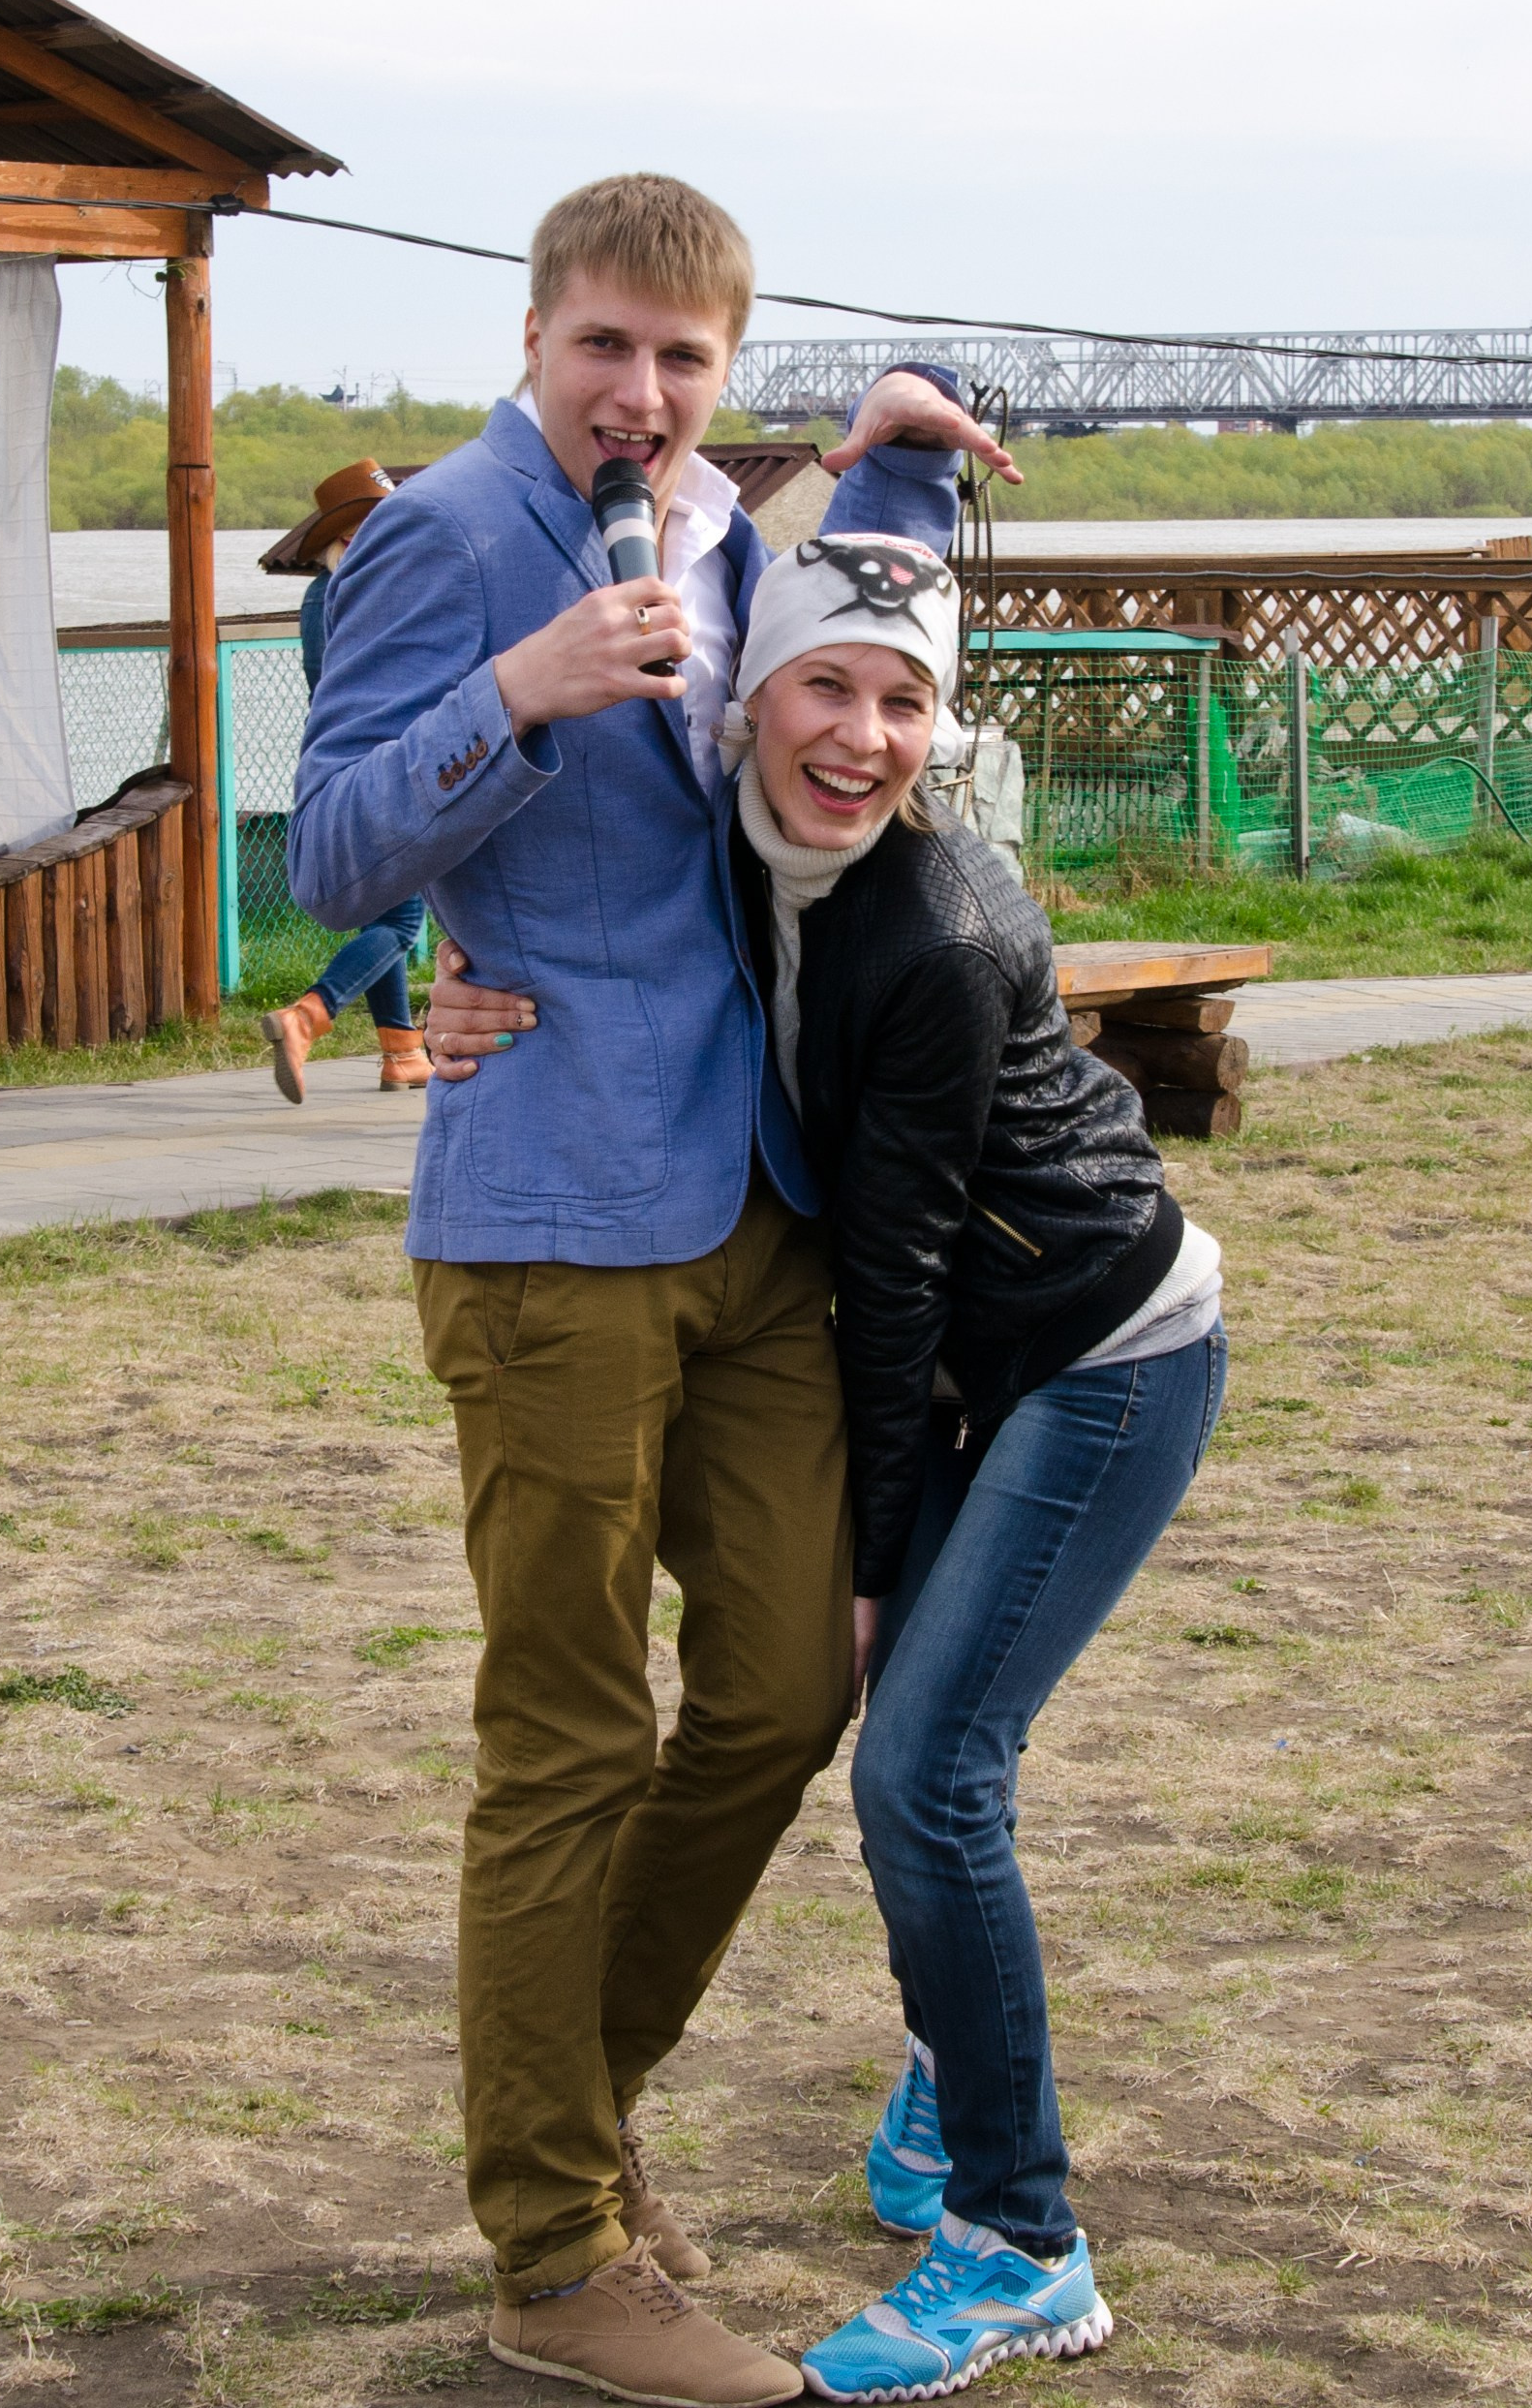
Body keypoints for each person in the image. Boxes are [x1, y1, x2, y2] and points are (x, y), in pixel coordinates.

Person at [287, 175, 1013, 2408]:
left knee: (788, 1688)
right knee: (569, 1737)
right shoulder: (441, 533)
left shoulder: (715, 523)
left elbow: (845, 663)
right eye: (602, 347)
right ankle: (550, 2248)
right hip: (547, 1221)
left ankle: (572, 2124)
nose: (637, 392)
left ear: (723, 368)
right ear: (531, 335)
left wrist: (879, 451)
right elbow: (324, 852)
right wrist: (516, 693)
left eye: (681, 358)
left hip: (757, 1215)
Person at [429, 533, 1227, 2405]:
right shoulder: (745, 834)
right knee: (922, 1756)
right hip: (983, 1360)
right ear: (749, 700)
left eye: (905, 702)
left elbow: (895, 1277)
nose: (861, 734)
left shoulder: (930, 932)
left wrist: (869, 1556)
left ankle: (1022, 2237)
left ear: (940, 734)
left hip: (1100, 1355)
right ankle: (956, 2077)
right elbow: (722, 579)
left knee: (921, 1764)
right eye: (826, 687)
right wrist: (436, 976)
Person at [261, 459, 432, 1100]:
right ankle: (307, 1016)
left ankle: (401, 1051)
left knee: (381, 913)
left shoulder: (324, 599)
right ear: (353, 538)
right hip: (381, 775)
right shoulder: (356, 598)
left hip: (342, 776)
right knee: (404, 924)